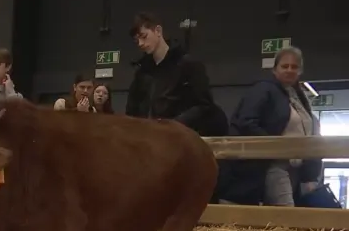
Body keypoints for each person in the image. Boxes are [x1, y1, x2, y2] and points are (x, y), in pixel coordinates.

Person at [218, 46, 323, 206]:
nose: (289, 70)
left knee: (288, 214)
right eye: (284, 66)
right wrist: (274, 146)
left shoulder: (298, 97)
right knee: (286, 213)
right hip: (274, 164)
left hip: (295, 167)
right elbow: (246, 122)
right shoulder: (264, 90)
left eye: (294, 67)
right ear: (275, 69)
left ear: (300, 71)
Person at [125, 12, 225, 136]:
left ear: (158, 31)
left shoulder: (188, 65)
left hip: (178, 138)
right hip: (149, 140)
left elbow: (204, 105)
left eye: (144, 36)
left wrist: (174, 125)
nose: (140, 43)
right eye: (136, 40)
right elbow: (132, 111)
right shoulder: (142, 74)